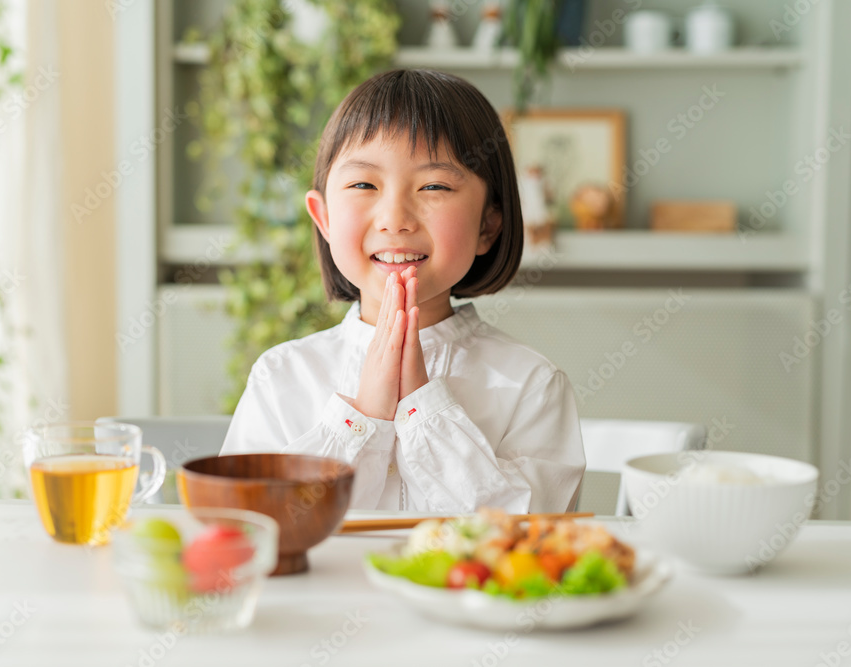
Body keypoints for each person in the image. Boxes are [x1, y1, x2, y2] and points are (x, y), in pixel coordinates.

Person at [221, 69, 585, 513]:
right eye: (363, 185)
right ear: (324, 218)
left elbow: (529, 544)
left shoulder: (531, 385)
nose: (395, 218)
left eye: (434, 186)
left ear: (488, 225)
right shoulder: (281, 377)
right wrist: (364, 418)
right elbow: (251, 527)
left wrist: (421, 405)